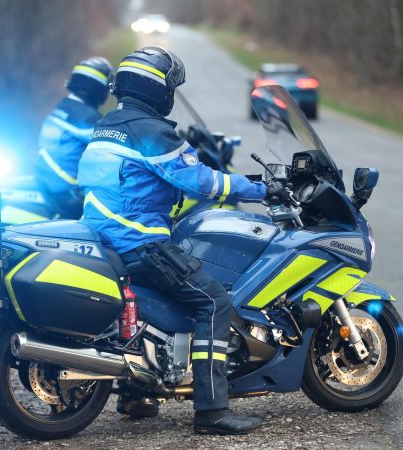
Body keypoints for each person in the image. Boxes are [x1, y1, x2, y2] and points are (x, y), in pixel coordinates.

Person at [78, 47, 285, 435]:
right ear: (159, 90)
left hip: (106, 240)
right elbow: (201, 181)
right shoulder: (152, 132)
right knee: (213, 301)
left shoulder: (107, 126)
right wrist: (260, 188)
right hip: (141, 244)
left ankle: (136, 395)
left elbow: (143, 183)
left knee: (144, 314)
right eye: (171, 86)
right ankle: (212, 411)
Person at [35, 57, 113, 218]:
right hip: (67, 192)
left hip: (46, 182)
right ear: (99, 89)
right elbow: (110, 148)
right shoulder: (86, 117)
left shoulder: (64, 107)